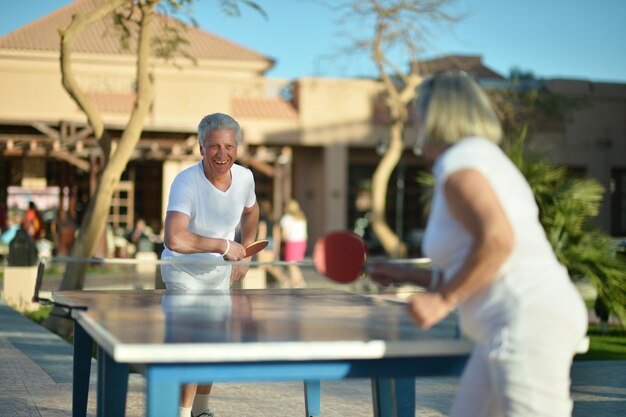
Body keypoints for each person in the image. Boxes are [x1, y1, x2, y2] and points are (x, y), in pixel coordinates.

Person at [369, 72, 587, 417]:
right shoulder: (476, 158)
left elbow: (498, 241)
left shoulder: (462, 166)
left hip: (525, 318)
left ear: (438, 116)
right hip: (507, 321)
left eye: (419, 115)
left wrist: (442, 300)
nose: (416, 124)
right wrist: (406, 274)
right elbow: (481, 266)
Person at [161, 112, 259, 417]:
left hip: (219, 275)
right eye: (214, 146)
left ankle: (201, 411)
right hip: (183, 273)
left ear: (237, 148)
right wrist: (224, 245)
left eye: (229, 146)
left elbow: (252, 212)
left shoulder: (245, 178)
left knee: (213, 346)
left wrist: (246, 256)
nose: (222, 153)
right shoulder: (185, 182)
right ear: (201, 147)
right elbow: (174, 239)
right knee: (192, 346)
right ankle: (180, 412)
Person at [279, 199, 308, 287]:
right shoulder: (302, 217)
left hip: (292, 242)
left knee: (291, 264)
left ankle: (298, 283)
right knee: (295, 264)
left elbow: (284, 234)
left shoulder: (286, 218)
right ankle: (300, 281)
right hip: (302, 242)